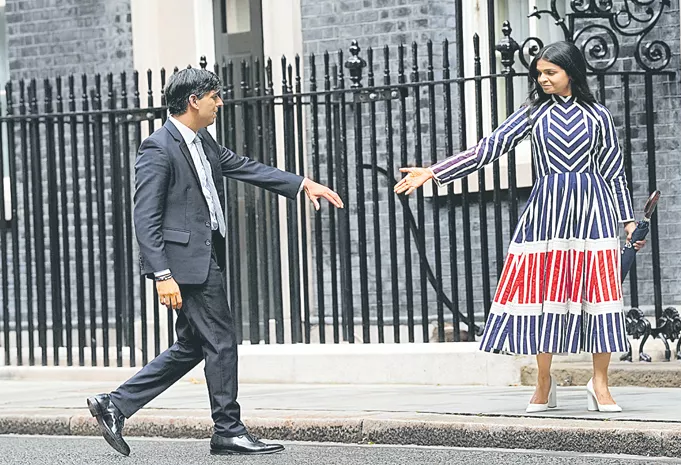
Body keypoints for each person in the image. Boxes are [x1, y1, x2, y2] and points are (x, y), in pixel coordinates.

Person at [86, 68, 343, 457]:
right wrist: (162, 274)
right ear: (194, 100)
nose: (219, 103)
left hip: (203, 259)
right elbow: (145, 217)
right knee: (220, 341)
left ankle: (116, 405)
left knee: (193, 344)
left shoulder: (202, 141)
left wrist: (302, 184)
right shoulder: (158, 147)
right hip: (185, 265)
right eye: (214, 96)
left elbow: (244, 166)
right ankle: (228, 428)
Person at [394, 41, 645, 413]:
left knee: (599, 293)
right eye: (539, 73)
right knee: (545, 292)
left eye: (550, 72)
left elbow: (613, 172)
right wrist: (433, 171)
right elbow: (487, 148)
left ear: (571, 73)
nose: (542, 79)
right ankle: (544, 381)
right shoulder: (532, 113)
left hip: (593, 211)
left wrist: (627, 221)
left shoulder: (598, 116)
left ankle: (601, 383)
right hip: (546, 213)